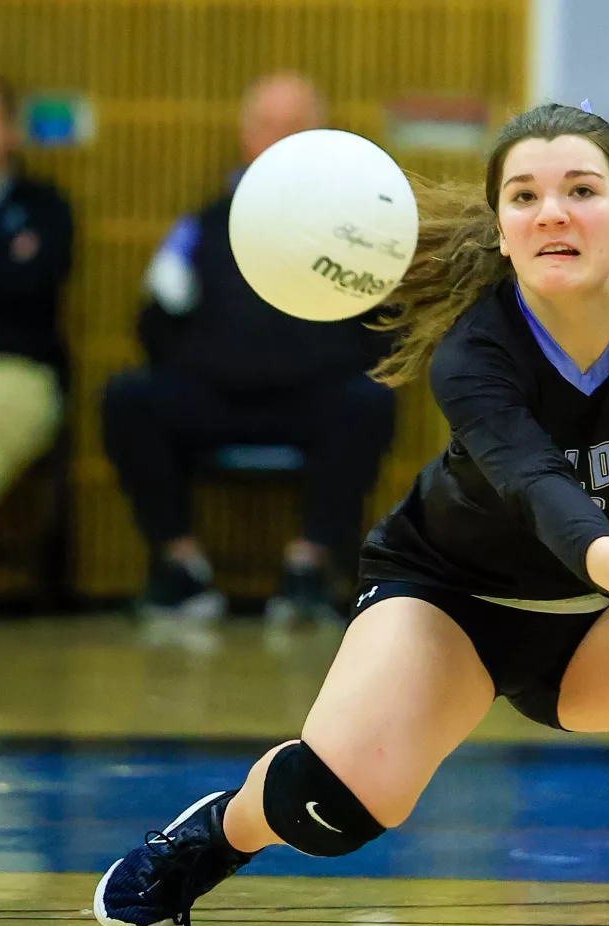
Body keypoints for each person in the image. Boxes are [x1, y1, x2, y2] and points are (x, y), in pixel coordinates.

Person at [93, 103, 609, 926]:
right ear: (504, 233)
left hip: (602, 630)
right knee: (332, 809)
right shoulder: (474, 350)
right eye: (525, 197)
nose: (552, 211)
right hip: (452, 604)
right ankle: (218, 834)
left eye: (581, 190)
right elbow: (534, 482)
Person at [102, 72, 394, 623]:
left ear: (320, 136)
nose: (279, 139)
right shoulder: (203, 224)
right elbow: (154, 325)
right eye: (267, 125)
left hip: (313, 401)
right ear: (244, 134)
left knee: (368, 401)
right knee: (129, 398)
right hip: (213, 398)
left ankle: (308, 568)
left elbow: (384, 330)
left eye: (295, 126)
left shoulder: (358, 229)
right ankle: (181, 569)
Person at [0, 71, 72, 570]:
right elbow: (5, 282)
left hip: (16, 371)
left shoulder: (45, 209)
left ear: (11, 132)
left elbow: (31, 288)